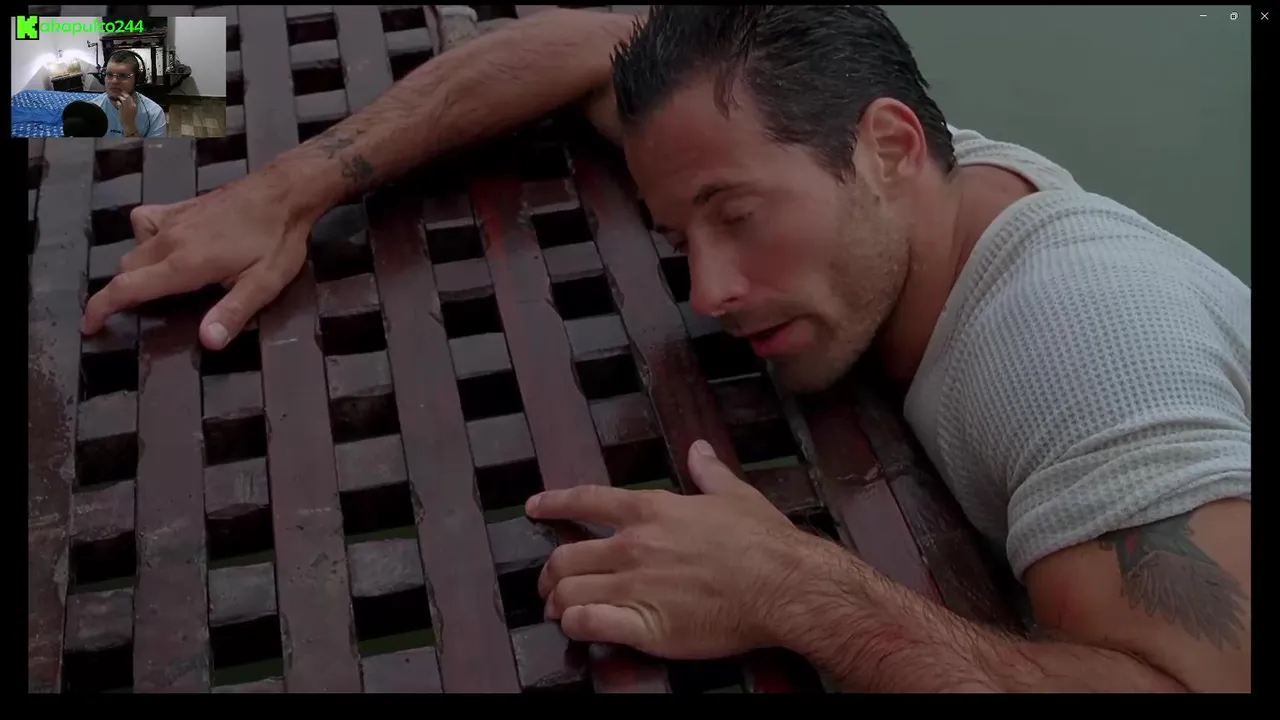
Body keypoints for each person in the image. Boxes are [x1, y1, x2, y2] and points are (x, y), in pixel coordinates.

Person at [78, 6, 1250, 692]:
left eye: (734, 217)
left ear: (890, 148)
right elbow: (586, 44)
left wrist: (796, 589)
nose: (706, 291)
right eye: (680, 234)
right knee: (74, 62)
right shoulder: (846, 159)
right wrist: (290, 190)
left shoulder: (1088, 348)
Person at [87, 50, 168, 139]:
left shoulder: (154, 114)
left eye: (123, 76)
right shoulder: (91, 110)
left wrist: (129, 124)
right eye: (109, 74)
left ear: (137, 79)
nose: (114, 81)